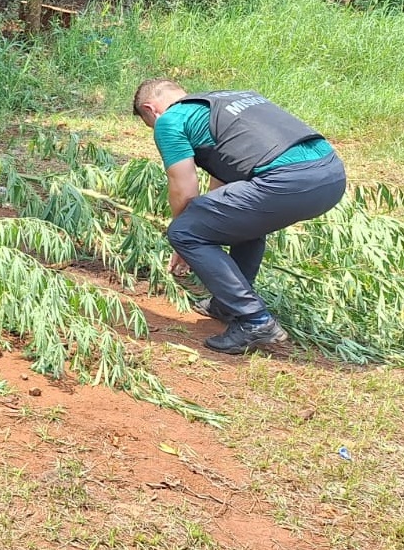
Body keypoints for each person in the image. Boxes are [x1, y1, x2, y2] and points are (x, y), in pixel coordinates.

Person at [132, 80, 347, 353]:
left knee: (184, 231)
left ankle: (254, 320)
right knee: (241, 219)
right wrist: (203, 223)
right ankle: (228, 304)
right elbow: (222, 186)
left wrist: (184, 237)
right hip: (331, 174)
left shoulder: (170, 120)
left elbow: (183, 187)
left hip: (288, 181)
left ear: (151, 110)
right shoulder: (228, 100)